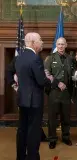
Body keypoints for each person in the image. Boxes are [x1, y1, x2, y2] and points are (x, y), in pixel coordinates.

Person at [15, 32, 53, 160]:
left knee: (22, 130)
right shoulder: (35, 58)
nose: (42, 42)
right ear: (33, 43)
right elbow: (41, 81)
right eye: (40, 40)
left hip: (22, 100)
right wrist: (49, 79)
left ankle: (21, 156)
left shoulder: (19, 57)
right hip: (34, 102)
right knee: (34, 131)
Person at [7, 55, 47, 142]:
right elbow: (9, 71)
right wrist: (13, 84)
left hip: (35, 95)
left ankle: (39, 136)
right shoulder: (18, 58)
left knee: (35, 119)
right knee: (24, 121)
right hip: (23, 95)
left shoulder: (36, 58)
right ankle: (27, 139)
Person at [44, 37, 73, 149]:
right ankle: (52, 139)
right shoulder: (50, 58)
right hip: (54, 92)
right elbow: (46, 73)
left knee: (66, 117)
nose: (61, 46)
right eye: (59, 44)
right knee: (52, 118)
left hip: (66, 93)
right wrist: (57, 83)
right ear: (56, 45)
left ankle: (66, 137)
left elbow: (72, 75)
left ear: (66, 45)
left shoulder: (70, 58)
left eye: (63, 44)